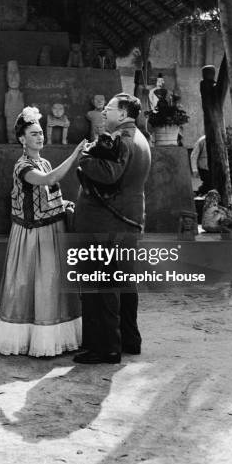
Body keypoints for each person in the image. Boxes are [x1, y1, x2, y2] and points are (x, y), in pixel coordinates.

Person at [0, 106, 88, 357]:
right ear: (22, 139)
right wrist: (75, 154)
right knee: (31, 284)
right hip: (33, 235)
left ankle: (54, 335)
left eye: (40, 133)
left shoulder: (43, 161)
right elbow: (48, 180)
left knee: (51, 282)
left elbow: (49, 193)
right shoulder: (22, 166)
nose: (39, 137)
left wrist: (63, 206)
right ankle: (30, 337)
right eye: (33, 134)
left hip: (52, 229)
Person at [73, 93, 151, 364]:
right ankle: (129, 339)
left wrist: (84, 157)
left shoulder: (122, 139)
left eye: (109, 109)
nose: (104, 113)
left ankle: (104, 348)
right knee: (125, 284)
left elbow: (108, 174)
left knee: (100, 286)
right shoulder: (139, 138)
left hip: (106, 223)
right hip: (127, 222)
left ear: (125, 113)